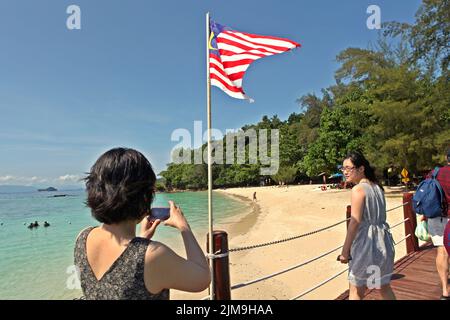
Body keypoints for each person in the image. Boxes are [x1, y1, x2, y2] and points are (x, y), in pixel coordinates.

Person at [74, 148, 210, 300]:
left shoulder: (82, 238)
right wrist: (184, 227)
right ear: (144, 197)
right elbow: (202, 278)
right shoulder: (153, 256)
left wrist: (141, 239)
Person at [338, 151, 396, 300]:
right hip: (383, 242)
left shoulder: (358, 189)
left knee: (356, 289)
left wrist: (345, 251)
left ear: (361, 168)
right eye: (343, 168)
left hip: (366, 243)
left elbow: (355, 222)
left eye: (348, 168)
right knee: (383, 287)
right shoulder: (377, 187)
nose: (345, 172)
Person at [419, 149, 450, 300]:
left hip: (436, 217)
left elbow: (426, 195)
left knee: (441, 251)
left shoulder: (435, 173)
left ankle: (445, 290)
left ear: (446, 158)